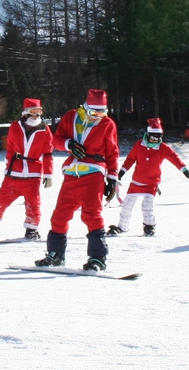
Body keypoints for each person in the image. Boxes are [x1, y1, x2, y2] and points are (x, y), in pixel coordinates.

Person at [35, 89, 119, 271]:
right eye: (94, 112)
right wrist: (68, 144)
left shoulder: (107, 124)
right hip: (71, 175)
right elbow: (55, 141)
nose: (98, 117)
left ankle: (98, 258)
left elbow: (112, 153)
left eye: (102, 113)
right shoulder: (70, 118)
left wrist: (112, 178)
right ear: (85, 108)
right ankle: (56, 254)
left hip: (93, 174)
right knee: (60, 215)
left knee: (91, 215)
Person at [0, 98, 54, 241]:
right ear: (25, 113)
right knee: (1, 200)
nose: (36, 115)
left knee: (34, 203)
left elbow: (48, 154)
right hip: (14, 172)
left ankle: (31, 229)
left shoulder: (45, 130)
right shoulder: (15, 126)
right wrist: (8, 164)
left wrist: (48, 174)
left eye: (39, 111)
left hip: (33, 174)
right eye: (33, 111)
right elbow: (11, 148)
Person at [107, 118, 189, 236]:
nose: (154, 140)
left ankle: (149, 227)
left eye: (157, 137)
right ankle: (122, 227)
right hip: (136, 183)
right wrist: (121, 172)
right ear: (147, 134)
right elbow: (130, 160)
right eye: (152, 137)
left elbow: (175, 158)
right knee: (126, 206)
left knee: (147, 206)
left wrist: (185, 170)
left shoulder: (162, 148)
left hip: (151, 184)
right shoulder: (139, 145)